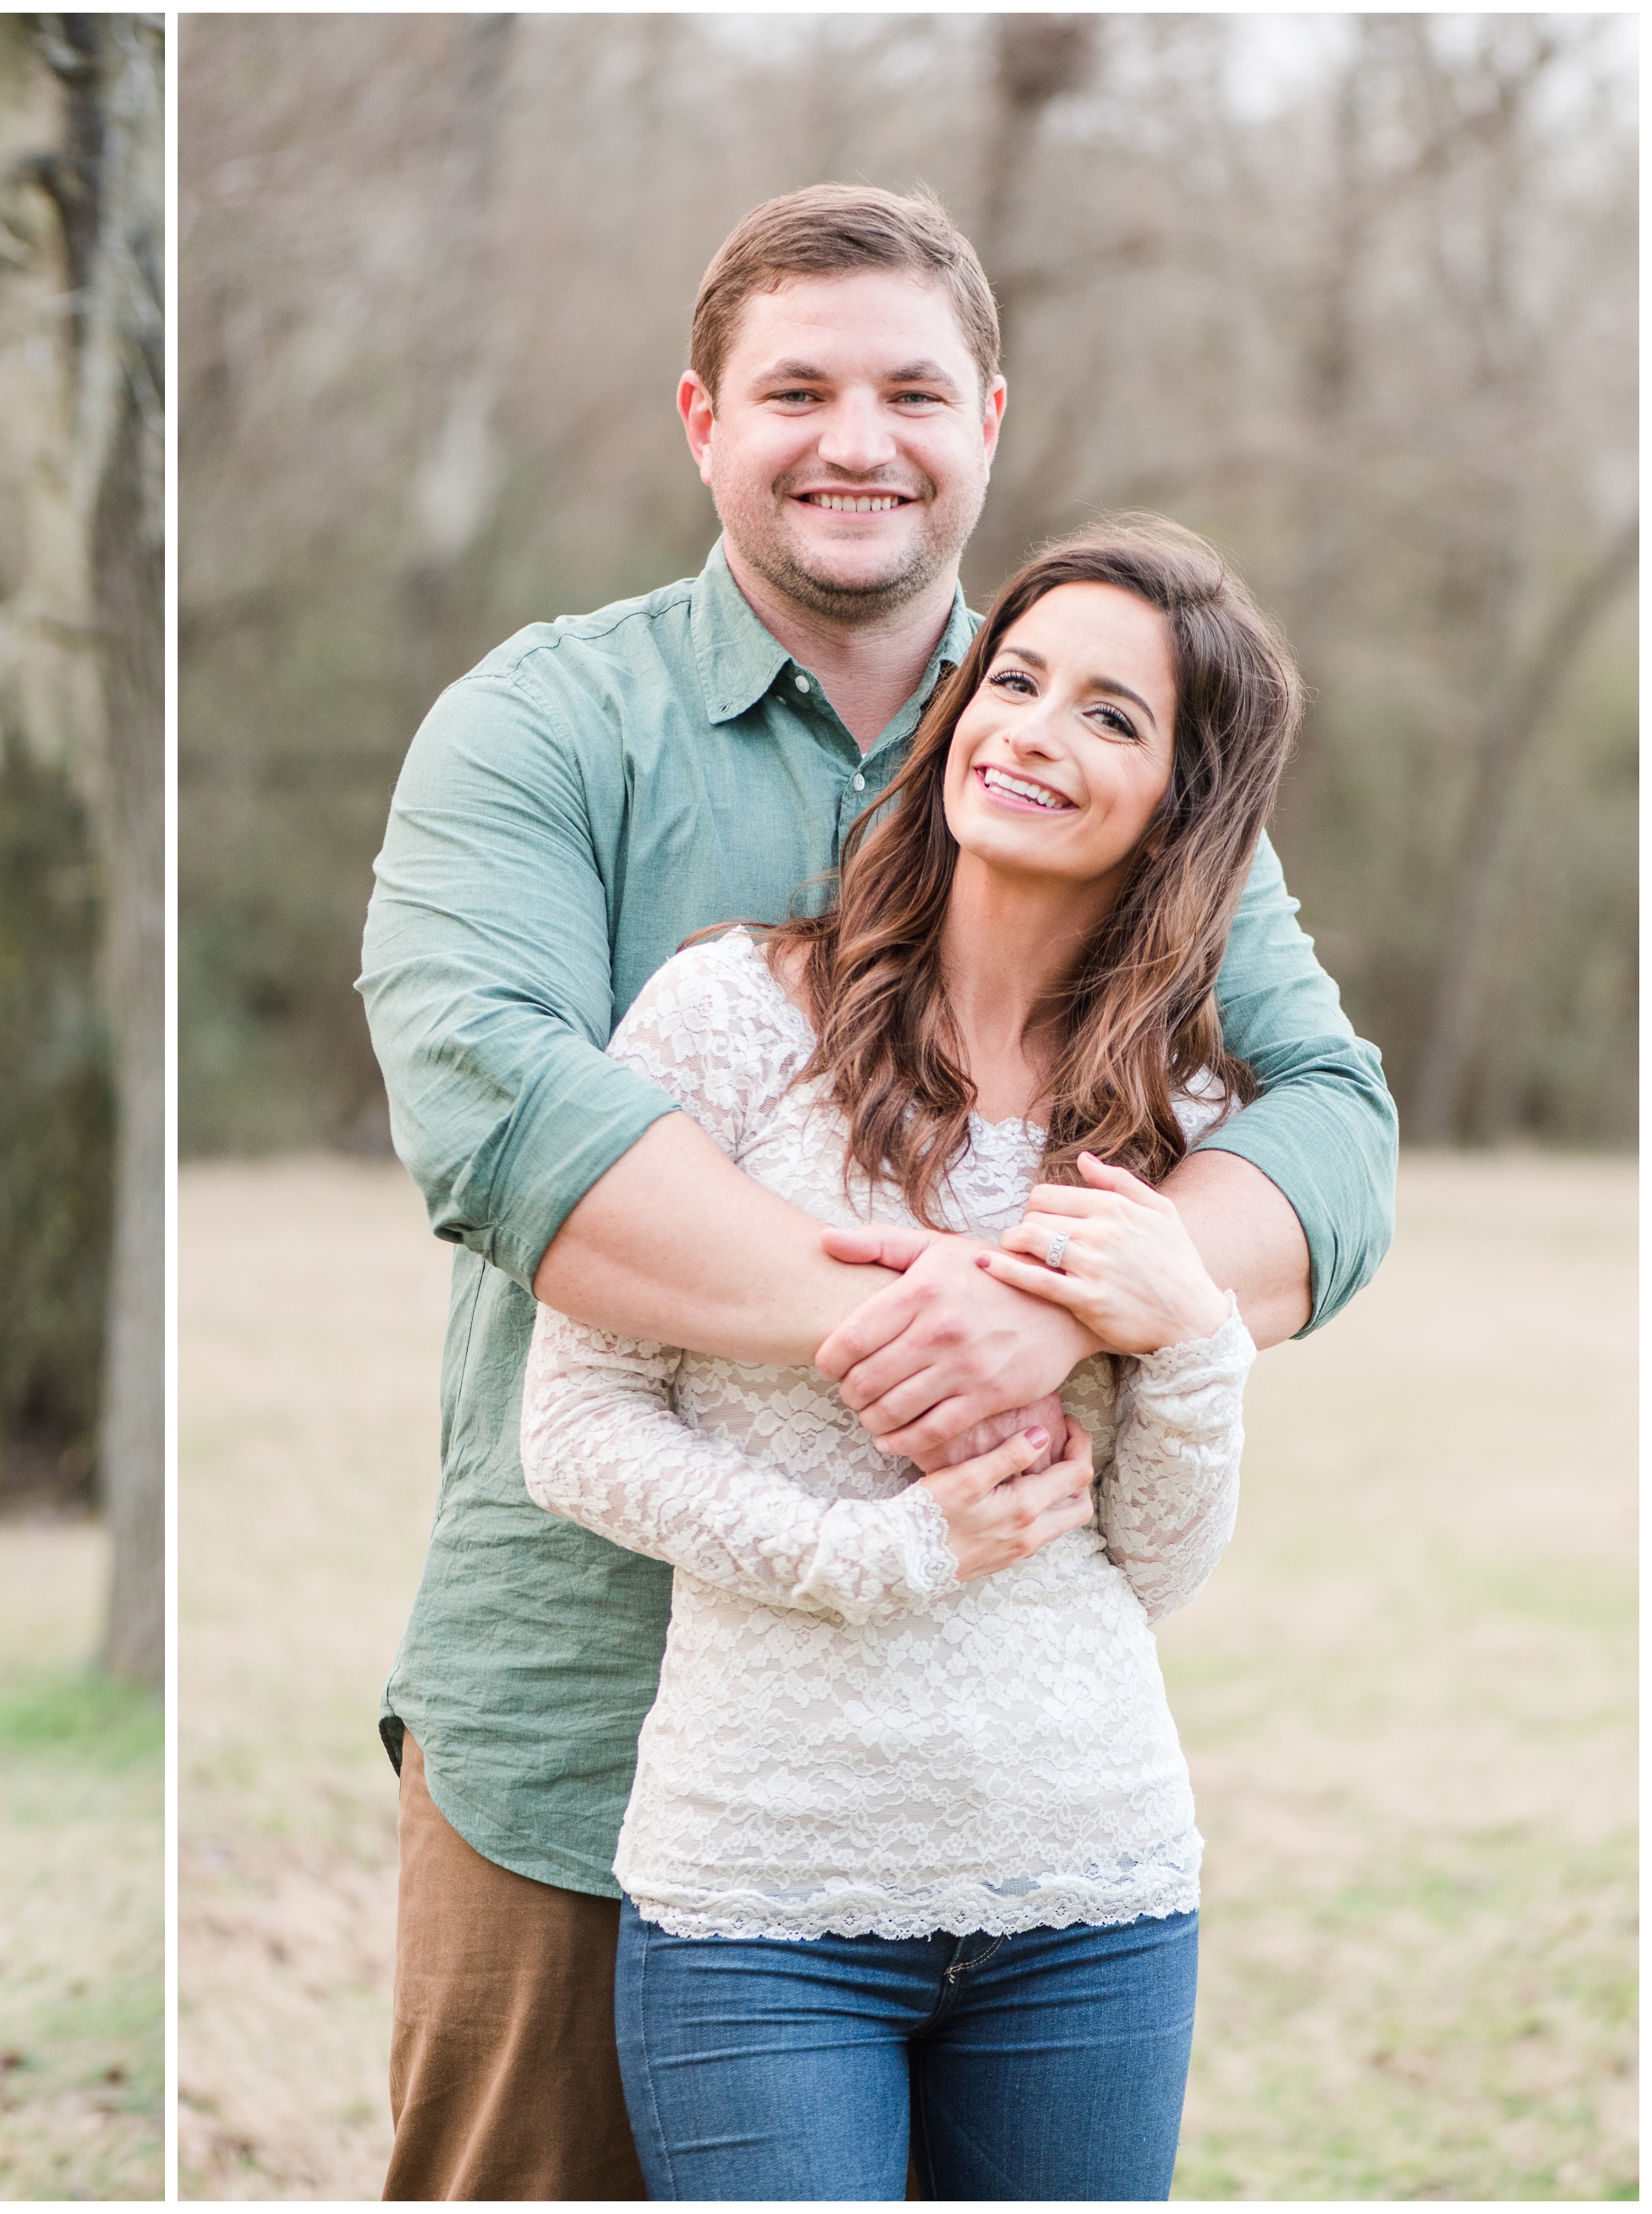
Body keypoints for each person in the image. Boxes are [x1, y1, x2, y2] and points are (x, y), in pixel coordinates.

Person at [357, 184, 1395, 2199]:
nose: (859, 439)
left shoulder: (1107, 732)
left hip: (1002, 1785)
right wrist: (904, 1315)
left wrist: (1084, 1297)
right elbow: (503, 1127)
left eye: (912, 390)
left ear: (988, 418)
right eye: (797, 390)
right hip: (582, 1720)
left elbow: (1328, 1131)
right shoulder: (542, 727)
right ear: (698, 419)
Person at [523, 520, 1287, 2199]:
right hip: (759, 1903)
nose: (1030, 730)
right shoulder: (728, 1016)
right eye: (1014, 680)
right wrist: (887, 1552)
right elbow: (572, 1423)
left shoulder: (1188, 1117)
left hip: (1089, 1895)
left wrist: (1183, 1329)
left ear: (1179, 797)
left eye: (1109, 716)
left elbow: (1146, 1561)